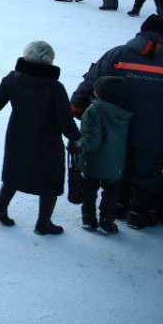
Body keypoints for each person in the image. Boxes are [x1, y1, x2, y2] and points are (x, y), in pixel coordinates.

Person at [70, 14, 163, 228]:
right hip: (154, 132)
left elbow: (91, 80)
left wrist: (77, 108)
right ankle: (139, 214)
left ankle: (119, 204)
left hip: (117, 130)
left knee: (120, 165)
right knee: (147, 168)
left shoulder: (118, 54)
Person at [0, 41, 80, 235]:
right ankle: (43, 224)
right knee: (50, 180)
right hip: (47, 141)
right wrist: (76, 138)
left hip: (17, 134)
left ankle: (0, 210)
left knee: (13, 173)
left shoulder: (12, 79)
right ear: (49, 62)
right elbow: (65, 120)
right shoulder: (55, 87)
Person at [75, 76, 132, 234]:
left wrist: (78, 146)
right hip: (115, 164)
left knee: (89, 190)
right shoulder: (124, 112)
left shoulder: (94, 110)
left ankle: (88, 218)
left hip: (93, 161)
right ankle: (107, 222)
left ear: (100, 94)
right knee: (111, 193)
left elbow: (92, 138)